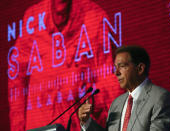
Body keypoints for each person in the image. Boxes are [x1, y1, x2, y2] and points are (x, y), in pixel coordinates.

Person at [8, 0, 122, 130]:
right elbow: (16, 77)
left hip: (74, 125)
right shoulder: (33, 19)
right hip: (40, 126)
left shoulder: (94, 17)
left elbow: (110, 82)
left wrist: (87, 93)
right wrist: (17, 127)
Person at [78, 45, 170, 131]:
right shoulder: (116, 104)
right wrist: (87, 122)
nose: (116, 73)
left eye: (122, 66)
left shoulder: (160, 98)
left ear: (140, 68)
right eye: (115, 67)